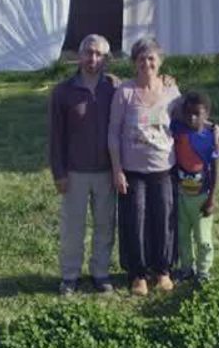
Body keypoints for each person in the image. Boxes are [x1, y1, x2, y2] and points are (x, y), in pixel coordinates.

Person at [109, 37, 181, 296]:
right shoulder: (125, 93)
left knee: (164, 217)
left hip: (163, 168)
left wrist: (213, 128)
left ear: (159, 62)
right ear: (133, 63)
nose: (146, 63)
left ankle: (163, 271)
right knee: (134, 219)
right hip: (132, 171)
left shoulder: (172, 91)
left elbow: (185, 124)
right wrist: (117, 169)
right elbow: (113, 133)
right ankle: (138, 274)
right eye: (141, 58)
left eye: (151, 58)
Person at [48, 34, 119, 295]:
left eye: (99, 54)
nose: (93, 59)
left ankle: (100, 272)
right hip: (75, 172)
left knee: (105, 225)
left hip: (106, 172)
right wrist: (59, 172)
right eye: (89, 52)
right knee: (72, 228)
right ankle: (70, 275)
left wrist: (168, 82)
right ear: (79, 55)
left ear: (106, 58)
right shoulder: (63, 91)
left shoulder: (114, 87)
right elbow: (56, 137)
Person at [171, 91, 219, 284]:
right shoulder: (177, 129)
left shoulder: (211, 137)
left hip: (202, 198)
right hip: (181, 196)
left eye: (197, 114)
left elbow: (217, 168)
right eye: (188, 113)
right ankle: (186, 269)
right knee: (182, 235)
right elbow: (153, 117)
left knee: (203, 238)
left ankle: (203, 271)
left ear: (206, 114)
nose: (191, 117)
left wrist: (212, 198)